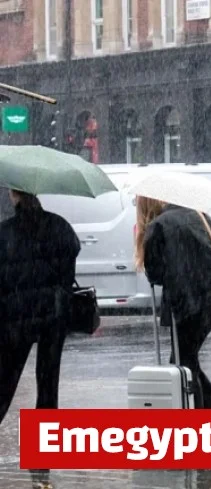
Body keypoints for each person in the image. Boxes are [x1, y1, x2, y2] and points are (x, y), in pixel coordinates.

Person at [0, 189, 80, 489]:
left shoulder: (5, 232)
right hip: (52, 318)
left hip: (14, 318)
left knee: (5, 383)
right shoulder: (59, 226)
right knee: (47, 388)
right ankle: (41, 455)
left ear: (14, 196)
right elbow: (70, 263)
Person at [134, 197, 211, 421]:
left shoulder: (158, 227)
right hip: (209, 301)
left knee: (184, 361)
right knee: (185, 359)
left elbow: (155, 274)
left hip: (183, 305)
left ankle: (208, 412)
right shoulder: (199, 216)